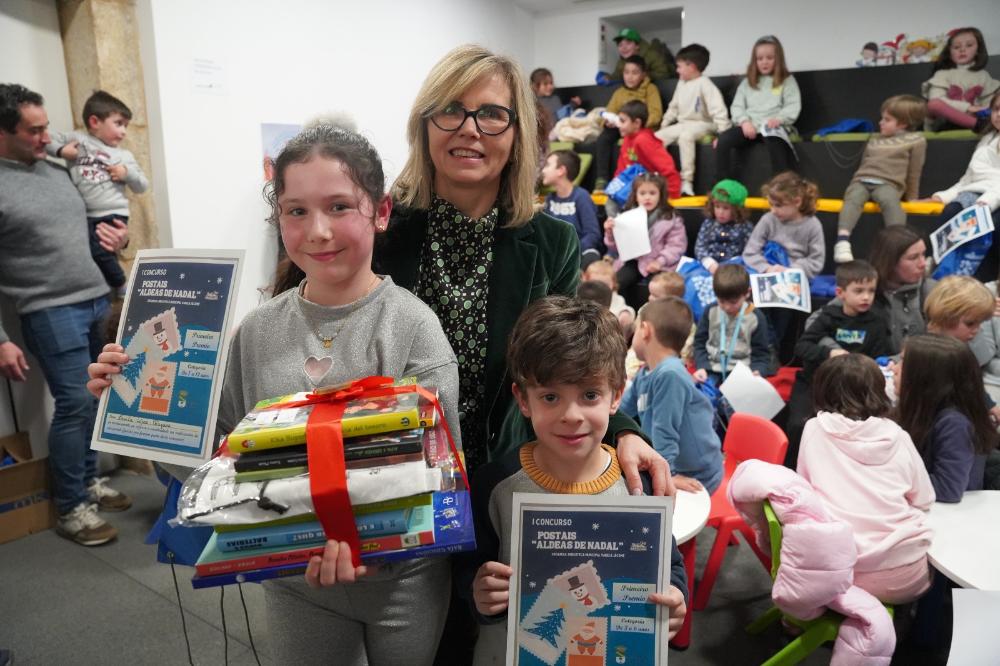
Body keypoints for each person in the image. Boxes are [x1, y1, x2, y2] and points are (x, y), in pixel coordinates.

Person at [89, 123, 461, 665]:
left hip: (401, 582)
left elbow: (436, 474)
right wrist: (130, 407)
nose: (317, 231)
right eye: (296, 211)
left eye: (339, 207)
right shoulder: (258, 331)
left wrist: (367, 543)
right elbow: (215, 463)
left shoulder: (412, 327)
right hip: (293, 579)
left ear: (380, 212)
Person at [375, 43, 671, 498]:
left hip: (504, 482)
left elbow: (568, 358)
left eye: (492, 114)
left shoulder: (551, 241)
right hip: (395, 484)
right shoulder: (381, 231)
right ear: (425, 124)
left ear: (517, 133)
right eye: (451, 110)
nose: (470, 129)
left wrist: (624, 430)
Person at [458, 296, 688, 664]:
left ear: (616, 396)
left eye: (590, 395)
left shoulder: (638, 486)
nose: (571, 415)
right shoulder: (494, 484)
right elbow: (469, 570)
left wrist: (675, 598)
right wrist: (479, 593)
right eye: (550, 397)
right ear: (523, 399)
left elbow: (669, 565)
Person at [0, 83, 130, 547]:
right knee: (74, 404)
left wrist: (122, 243)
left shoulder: (59, 171)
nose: (47, 137)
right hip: (49, 310)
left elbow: (96, 230)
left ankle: (89, 484)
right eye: (34, 130)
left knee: (99, 396)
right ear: (4, 131)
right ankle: (72, 509)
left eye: (46, 126)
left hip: (97, 299)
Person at [798, 354, 935, 604]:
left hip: (835, 575)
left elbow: (804, 493)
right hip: (905, 575)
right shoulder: (898, 436)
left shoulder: (814, 429)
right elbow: (925, 498)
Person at [45, 90, 148, 291]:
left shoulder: (123, 155)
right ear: (94, 121)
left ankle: (122, 286)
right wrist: (61, 151)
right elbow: (45, 136)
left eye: (125, 126)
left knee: (100, 251)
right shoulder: (77, 139)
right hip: (86, 214)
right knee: (89, 253)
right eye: (119, 124)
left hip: (112, 212)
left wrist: (126, 173)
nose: (124, 131)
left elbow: (142, 185)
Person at [622, 297, 724, 494]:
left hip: (694, 474)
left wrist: (668, 473)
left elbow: (664, 431)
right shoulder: (645, 373)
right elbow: (622, 412)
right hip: (668, 463)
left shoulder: (670, 375)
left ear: (645, 330)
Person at [894, 334, 997, 502]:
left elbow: (948, 488)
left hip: (952, 516)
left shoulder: (954, 423)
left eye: (903, 362)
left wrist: (885, 478)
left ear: (925, 376)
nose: (894, 369)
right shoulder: (919, 409)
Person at [834, 95, 927, 263]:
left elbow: (914, 171)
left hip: (888, 182)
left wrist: (912, 197)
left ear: (903, 123)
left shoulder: (916, 140)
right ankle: (842, 241)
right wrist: (856, 181)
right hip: (862, 180)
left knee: (891, 202)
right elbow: (864, 163)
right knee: (852, 200)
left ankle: (899, 245)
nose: (880, 122)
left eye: (887, 119)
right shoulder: (875, 139)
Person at [742, 172, 824, 346]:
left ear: (797, 201)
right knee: (755, 302)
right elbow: (750, 252)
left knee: (783, 306)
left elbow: (816, 261)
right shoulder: (768, 220)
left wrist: (791, 269)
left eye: (778, 205)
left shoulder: (812, 225)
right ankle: (758, 345)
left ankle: (772, 347)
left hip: (793, 278)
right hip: (766, 273)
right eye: (771, 205)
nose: (773, 210)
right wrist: (767, 268)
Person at [927, 90, 1000, 278]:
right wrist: (941, 197)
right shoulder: (987, 140)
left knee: (991, 226)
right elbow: (968, 180)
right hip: (976, 196)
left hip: (992, 199)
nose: (999, 114)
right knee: (951, 211)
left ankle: (984, 283)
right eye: (997, 109)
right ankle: (939, 268)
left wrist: (986, 202)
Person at [715, 35, 801, 183]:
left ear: (778, 59)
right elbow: (737, 106)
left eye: (769, 58)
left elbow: (792, 105)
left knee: (776, 145)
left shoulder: (787, 80)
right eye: (760, 59)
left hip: (772, 126)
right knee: (723, 140)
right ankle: (723, 185)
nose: (764, 62)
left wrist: (779, 119)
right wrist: (744, 122)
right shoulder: (747, 82)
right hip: (750, 126)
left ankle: (780, 187)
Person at [655, 43, 731, 196]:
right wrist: (663, 126)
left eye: (680, 66)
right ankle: (659, 179)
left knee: (686, 137)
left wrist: (723, 134)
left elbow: (718, 110)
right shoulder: (681, 84)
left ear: (692, 66)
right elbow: (673, 107)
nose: (677, 70)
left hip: (704, 124)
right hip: (684, 123)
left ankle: (686, 182)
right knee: (656, 139)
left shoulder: (705, 84)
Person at [603, 172, 686, 308]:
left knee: (661, 288)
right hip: (633, 261)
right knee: (617, 282)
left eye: (652, 193)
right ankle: (621, 314)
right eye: (642, 193)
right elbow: (615, 248)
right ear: (635, 196)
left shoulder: (671, 217)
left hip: (660, 264)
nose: (647, 197)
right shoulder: (626, 217)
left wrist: (660, 261)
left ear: (661, 195)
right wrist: (610, 232)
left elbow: (676, 246)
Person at [593, 56, 665, 192]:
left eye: (635, 72)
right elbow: (609, 111)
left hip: (642, 128)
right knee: (603, 138)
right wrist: (608, 121)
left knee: (639, 140)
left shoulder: (651, 89)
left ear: (643, 74)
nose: (630, 77)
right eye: (626, 72)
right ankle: (602, 179)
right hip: (622, 127)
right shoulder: (619, 92)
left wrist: (637, 125)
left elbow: (656, 114)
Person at [693, 263, 771, 385]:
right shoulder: (710, 311)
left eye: (733, 302)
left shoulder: (756, 317)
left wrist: (757, 371)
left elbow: (761, 353)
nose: (727, 307)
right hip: (711, 369)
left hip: (742, 373)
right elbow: (699, 343)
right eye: (721, 301)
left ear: (747, 293)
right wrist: (701, 366)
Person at [868, 226, 935, 350]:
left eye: (923, 254)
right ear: (889, 261)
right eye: (913, 258)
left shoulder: (934, 291)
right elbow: (821, 324)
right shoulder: (864, 290)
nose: (923, 264)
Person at [922, 27, 998, 131]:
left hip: (974, 117)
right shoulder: (942, 74)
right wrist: (968, 108)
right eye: (956, 47)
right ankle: (979, 126)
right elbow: (936, 100)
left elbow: (989, 101)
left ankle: (982, 124)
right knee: (933, 104)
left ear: (978, 50)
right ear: (949, 53)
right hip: (945, 119)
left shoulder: (983, 75)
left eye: (969, 45)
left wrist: (984, 110)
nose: (962, 49)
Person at [540, 149, 602, 268]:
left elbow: (592, 234)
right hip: (555, 256)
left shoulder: (581, 196)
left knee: (591, 256)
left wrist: (571, 250)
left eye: (548, 165)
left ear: (561, 171)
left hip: (578, 254)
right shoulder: (550, 199)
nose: (543, 171)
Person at [610, 100, 681, 200]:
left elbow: (666, 166)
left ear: (637, 123)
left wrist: (672, 193)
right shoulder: (627, 139)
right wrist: (615, 186)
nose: (619, 125)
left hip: (655, 192)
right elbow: (622, 169)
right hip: (637, 190)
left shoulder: (644, 140)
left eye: (623, 121)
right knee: (611, 202)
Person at [694, 179, 753, 274]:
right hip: (708, 267)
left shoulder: (745, 226)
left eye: (726, 208)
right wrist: (709, 264)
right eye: (717, 206)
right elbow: (700, 247)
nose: (720, 212)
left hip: (735, 268)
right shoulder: (708, 223)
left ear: (737, 209)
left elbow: (750, 250)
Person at [924, 275, 994, 343]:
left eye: (980, 323)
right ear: (946, 315)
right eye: (970, 324)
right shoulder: (922, 351)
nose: (976, 330)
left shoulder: (964, 347)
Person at [601, 28, 674, 85]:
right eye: (620, 45)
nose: (624, 48)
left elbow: (664, 74)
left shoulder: (652, 55)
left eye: (628, 43)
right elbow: (616, 76)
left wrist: (643, 75)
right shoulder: (621, 62)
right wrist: (607, 78)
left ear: (637, 46)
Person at [583, 258, 635, 329]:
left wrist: (625, 313)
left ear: (613, 284)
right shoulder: (584, 295)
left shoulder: (614, 298)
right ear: (586, 282)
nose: (600, 288)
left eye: (605, 284)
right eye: (595, 284)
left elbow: (623, 308)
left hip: (607, 332)